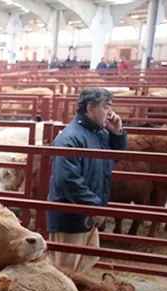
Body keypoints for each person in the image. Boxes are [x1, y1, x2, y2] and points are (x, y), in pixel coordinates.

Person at [46, 88, 127, 273]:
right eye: (106, 107)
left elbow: (112, 159)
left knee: (81, 266)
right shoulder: (69, 139)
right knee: (66, 270)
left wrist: (117, 134)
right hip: (71, 218)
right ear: (90, 108)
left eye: (110, 107)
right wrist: (93, 205)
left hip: (87, 214)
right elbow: (67, 180)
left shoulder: (98, 134)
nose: (110, 113)